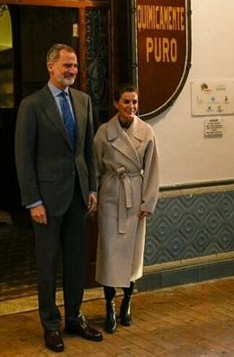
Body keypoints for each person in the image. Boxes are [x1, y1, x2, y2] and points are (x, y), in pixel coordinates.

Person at [15, 44, 103, 353]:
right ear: (51, 66)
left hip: (79, 196)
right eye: (67, 65)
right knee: (47, 265)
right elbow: (23, 157)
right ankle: (50, 325)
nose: (73, 71)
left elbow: (88, 152)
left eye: (76, 66)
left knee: (77, 263)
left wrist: (92, 188)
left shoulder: (83, 101)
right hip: (47, 202)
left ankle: (75, 318)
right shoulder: (32, 105)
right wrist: (33, 201)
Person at [93, 84, 160, 333]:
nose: (131, 107)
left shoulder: (147, 131)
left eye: (134, 102)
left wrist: (148, 202)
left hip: (135, 196)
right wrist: (95, 196)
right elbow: (95, 166)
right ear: (115, 103)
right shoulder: (103, 132)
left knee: (132, 257)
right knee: (110, 253)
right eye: (126, 102)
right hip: (111, 196)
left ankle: (127, 302)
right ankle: (109, 304)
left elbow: (153, 169)